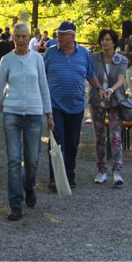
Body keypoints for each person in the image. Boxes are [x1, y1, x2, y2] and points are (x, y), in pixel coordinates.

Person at [0, 21, 53, 221]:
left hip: (34, 114)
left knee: (32, 160)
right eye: (18, 36)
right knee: (14, 160)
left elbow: (44, 87)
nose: (22, 40)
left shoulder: (37, 59)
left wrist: (49, 114)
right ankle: (15, 204)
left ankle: (28, 186)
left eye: (25, 36)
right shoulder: (7, 60)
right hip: (12, 113)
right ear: (13, 38)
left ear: (28, 38)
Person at [42, 21, 101, 192]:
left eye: (62, 34)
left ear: (72, 36)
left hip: (76, 106)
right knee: (57, 141)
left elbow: (90, 74)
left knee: (72, 143)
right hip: (55, 105)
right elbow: (42, 76)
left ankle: (69, 175)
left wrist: (99, 89)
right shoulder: (50, 53)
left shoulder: (83, 54)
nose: (58, 36)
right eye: (58, 34)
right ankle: (55, 178)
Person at [89, 29, 129, 186]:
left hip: (114, 100)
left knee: (115, 136)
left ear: (114, 42)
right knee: (99, 136)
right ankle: (101, 170)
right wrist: (100, 89)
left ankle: (117, 171)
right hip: (96, 99)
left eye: (107, 39)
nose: (104, 42)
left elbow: (121, 80)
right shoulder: (93, 58)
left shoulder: (121, 60)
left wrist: (110, 90)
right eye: (102, 39)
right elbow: (90, 76)